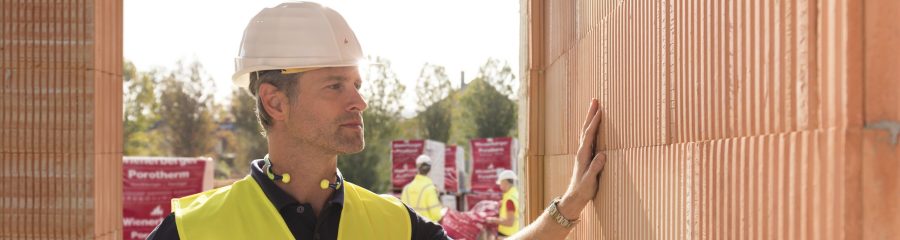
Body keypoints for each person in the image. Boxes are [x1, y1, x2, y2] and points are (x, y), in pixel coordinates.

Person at [146, 2, 448, 239]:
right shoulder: (192, 231)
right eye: (335, 86)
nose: (360, 102)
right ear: (275, 102)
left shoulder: (400, 227)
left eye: (356, 85)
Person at [400, 155, 444, 222]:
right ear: (429, 169)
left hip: (410, 229)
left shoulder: (406, 189)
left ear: (417, 167)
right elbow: (437, 215)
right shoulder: (430, 189)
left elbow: (402, 212)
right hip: (426, 230)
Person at [486, 170, 520, 238]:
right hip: (514, 233)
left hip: (507, 235)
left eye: (501, 183)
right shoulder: (515, 194)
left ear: (505, 183)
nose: (500, 186)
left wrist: (492, 220)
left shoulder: (509, 200)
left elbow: (510, 222)